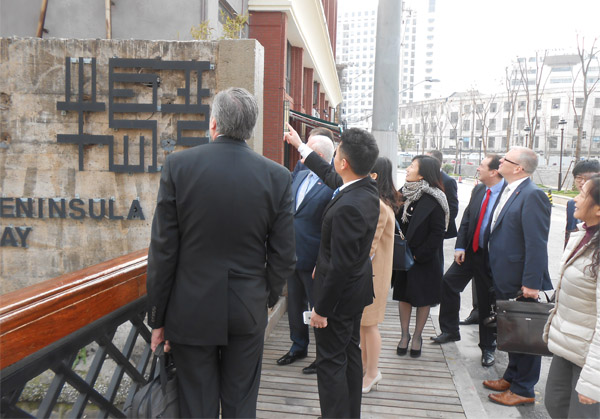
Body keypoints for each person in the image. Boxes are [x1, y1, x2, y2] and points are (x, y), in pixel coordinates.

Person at [146, 87, 296, 418]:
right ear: (251, 128)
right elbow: (285, 255)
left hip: (191, 308)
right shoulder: (277, 177)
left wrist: (157, 318)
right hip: (247, 307)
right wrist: (266, 296)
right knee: (241, 405)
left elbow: (163, 252)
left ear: (213, 124)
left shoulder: (178, 166)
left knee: (196, 406)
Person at [284, 123, 380, 418]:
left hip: (338, 299)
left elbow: (340, 266)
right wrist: (301, 146)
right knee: (349, 354)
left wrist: (321, 310)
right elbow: (328, 174)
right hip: (354, 294)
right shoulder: (364, 187)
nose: (333, 158)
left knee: (330, 362)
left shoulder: (349, 205)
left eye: (336, 153)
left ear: (344, 163)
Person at [484, 146, 552, 407]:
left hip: (521, 279)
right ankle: (512, 377)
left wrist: (532, 283)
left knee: (525, 332)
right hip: (504, 273)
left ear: (518, 168)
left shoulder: (533, 195)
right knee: (512, 328)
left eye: (506, 159)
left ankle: (524, 388)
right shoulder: (510, 189)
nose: (500, 160)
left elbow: (537, 243)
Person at [431, 155, 505, 368]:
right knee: (449, 283)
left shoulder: (508, 194)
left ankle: (488, 346)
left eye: (482, 165)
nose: (478, 168)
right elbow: (467, 219)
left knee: (486, 300)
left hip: (490, 256)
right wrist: (460, 246)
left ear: (494, 172)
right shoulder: (480, 190)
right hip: (471, 251)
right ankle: (450, 330)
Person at [276, 135, 335, 374]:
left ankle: (323, 355)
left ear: (318, 156)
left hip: (315, 259)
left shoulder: (332, 184)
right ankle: (298, 345)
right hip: (292, 255)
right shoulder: (299, 175)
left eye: (305, 150)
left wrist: (323, 260)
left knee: (317, 307)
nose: (300, 154)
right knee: (295, 304)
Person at [544, 174, 600, 418]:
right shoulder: (583, 234)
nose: (575, 198)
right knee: (555, 404)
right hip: (570, 345)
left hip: (591, 356)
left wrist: (593, 380)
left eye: (583, 194)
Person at [393, 155, 449, 359]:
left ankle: (417, 337)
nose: (408, 169)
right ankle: (404, 335)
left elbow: (437, 232)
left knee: (422, 298)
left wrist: (419, 255)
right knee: (403, 296)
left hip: (424, 258)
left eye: (412, 166)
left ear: (423, 173)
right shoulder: (403, 193)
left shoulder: (435, 198)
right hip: (404, 257)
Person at [361, 157, 401, 393]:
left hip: (373, 276)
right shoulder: (382, 202)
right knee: (364, 325)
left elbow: (369, 247)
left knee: (369, 325)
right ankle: (366, 368)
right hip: (374, 275)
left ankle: (372, 372)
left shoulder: (377, 205)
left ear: (374, 175)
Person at [565, 159, 599, 246]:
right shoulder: (572, 204)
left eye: (589, 179)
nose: (583, 182)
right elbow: (569, 234)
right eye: (579, 178)